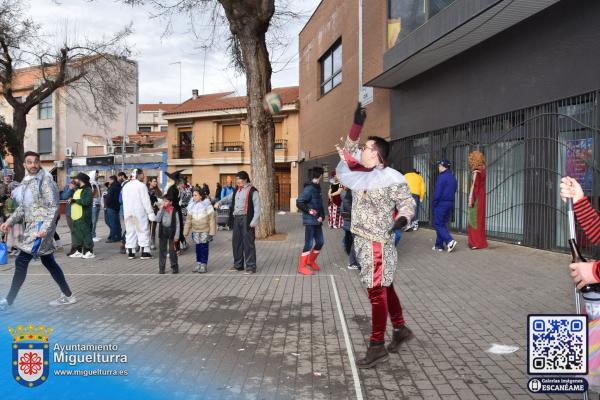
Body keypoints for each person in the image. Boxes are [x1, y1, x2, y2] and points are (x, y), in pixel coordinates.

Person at [335, 103, 415, 369]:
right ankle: (401, 329)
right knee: (386, 285)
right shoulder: (360, 173)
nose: (363, 149)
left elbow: (407, 203)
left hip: (378, 242)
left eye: (368, 147)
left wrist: (403, 218)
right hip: (361, 238)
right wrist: (356, 124)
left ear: (378, 155)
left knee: (376, 292)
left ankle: (377, 345)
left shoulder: (392, 178)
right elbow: (348, 149)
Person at [0, 151, 76, 311]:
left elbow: (54, 206)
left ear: (39, 162)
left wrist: (46, 229)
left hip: (40, 227)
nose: (33, 165)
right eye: (30, 162)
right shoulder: (27, 181)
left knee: (21, 262)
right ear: (24, 164)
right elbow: (23, 207)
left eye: (36, 161)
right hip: (34, 226)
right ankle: (69, 295)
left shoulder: (46, 180)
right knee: (49, 262)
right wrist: (9, 221)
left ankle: (9, 301)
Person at [216, 170, 260, 274]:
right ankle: (238, 265)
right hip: (236, 219)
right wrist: (219, 202)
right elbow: (228, 198)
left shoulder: (253, 191)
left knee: (248, 243)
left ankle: (250, 267)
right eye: (236, 180)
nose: (237, 182)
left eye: (238, 180)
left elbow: (257, 208)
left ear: (245, 180)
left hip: (247, 219)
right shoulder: (237, 190)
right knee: (236, 243)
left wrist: (254, 221)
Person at [296, 167, 325, 275]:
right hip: (310, 221)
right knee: (308, 243)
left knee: (320, 242)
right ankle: (301, 267)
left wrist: (322, 215)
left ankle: (310, 261)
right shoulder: (309, 189)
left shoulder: (317, 188)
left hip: (317, 220)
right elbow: (299, 202)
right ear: (320, 175)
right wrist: (310, 211)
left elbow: (320, 204)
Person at [122, 169, 156, 260]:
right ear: (139, 175)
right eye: (142, 174)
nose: (143, 176)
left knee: (130, 231)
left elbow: (123, 201)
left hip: (128, 213)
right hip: (139, 212)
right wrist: (150, 213)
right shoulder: (141, 186)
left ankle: (130, 252)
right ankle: (145, 252)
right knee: (143, 230)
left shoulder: (126, 186)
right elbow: (145, 201)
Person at [184, 187, 216, 273]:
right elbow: (188, 220)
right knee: (197, 248)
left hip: (205, 230)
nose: (193, 197)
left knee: (204, 247)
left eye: (195, 195)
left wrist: (212, 231)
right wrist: (185, 231)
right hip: (195, 230)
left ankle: (204, 264)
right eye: (193, 195)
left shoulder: (207, 205)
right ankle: (198, 263)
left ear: (201, 196)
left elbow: (212, 218)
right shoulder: (191, 206)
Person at [432, 159, 458, 252]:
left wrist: (434, 203)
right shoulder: (453, 177)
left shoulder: (441, 177)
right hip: (450, 203)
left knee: (438, 224)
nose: (438, 167)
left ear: (443, 166)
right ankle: (438, 245)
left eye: (439, 166)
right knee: (442, 224)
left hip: (441, 203)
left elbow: (437, 192)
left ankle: (450, 241)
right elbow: (454, 190)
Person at [68, 173, 95, 259]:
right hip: (76, 216)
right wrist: (72, 200)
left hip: (84, 216)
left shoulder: (87, 190)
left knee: (86, 234)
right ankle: (78, 251)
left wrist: (74, 200)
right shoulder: (77, 189)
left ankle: (89, 251)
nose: (74, 180)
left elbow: (86, 201)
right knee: (77, 235)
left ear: (81, 180)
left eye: (76, 179)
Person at [467, 151, 488, 249]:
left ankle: (475, 243)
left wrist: (471, 201)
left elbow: (474, 187)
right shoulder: (483, 170)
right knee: (480, 220)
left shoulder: (476, 172)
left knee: (473, 219)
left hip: (477, 198)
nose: (469, 161)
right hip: (482, 196)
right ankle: (481, 242)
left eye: (471, 159)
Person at [156, 193, 181, 274]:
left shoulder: (174, 211)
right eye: (163, 201)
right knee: (162, 250)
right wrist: (162, 209)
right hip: (163, 231)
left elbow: (177, 224)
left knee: (172, 251)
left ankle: (174, 267)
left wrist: (177, 236)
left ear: (170, 202)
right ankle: (161, 268)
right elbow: (157, 219)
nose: (164, 202)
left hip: (172, 232)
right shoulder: (162, 210)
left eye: (166, 201)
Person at [341, 188, 360, 270]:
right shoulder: (350, 192)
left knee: (356, 241)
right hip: (353, 220)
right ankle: (353, 262)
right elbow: (347, 205)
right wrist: (357, 214)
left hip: (354, 220)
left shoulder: (354, 191)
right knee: (356, 240)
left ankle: (353, 262)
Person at [61, 171, 77, 254]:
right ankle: (74, 247)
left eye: (75, 177)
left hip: (78, 212)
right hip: (69, 212)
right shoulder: (68, 186)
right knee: (73, 231)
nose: (73, 179)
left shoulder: (81, 186)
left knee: (77, 231)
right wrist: (70, 190)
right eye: (72, 178)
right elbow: (63, 197)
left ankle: (77, 248)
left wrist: (74, 189)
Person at [104, 175, 122, 243]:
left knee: (111, 223)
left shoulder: (112, 187)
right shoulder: (118, 186)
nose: (108, 181)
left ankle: (113, 237)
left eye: (109, 180)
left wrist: (107, 204)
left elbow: (109, 198)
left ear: (112, 180)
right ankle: (118, 236)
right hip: (116, 206)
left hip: (111, 207)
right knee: (116, 222)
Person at [4, 181, 20, 256]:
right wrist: (7, 214)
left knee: (17, 234)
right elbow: (5, 208)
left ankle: (18, 248)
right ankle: (10, 248)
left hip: (18, 220)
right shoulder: (8, 200)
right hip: (10, 219)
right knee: (10, 234)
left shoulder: (18, 199)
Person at [147, 177, 163, 250]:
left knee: (153, 228)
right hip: (146, 211)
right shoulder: (145, 189)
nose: (155, 183)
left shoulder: (158, 191)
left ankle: (152, 243)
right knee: (145, 228)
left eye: (156, 181)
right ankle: (143, 243)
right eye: (154, 181)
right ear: (149, 182)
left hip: (155, 211)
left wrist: (157, 202)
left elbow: (161, 201)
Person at [89, 170, 102, 242]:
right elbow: (92, 193)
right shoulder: (91, 183)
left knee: (95, 221)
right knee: (93, 221)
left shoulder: (96, 183)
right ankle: (92, 236)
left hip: (97, 204)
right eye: (96, 174)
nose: (97, 176)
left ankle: (94, 234)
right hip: (93, 205)